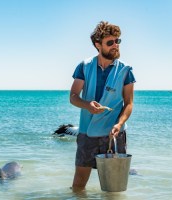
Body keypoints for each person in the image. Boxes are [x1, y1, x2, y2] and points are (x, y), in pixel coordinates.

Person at [69, 21, 136, 192]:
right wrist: (87, 105)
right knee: (78, 186)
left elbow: (128, 104)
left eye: (117, 41)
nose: (115, 45)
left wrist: (119, 124)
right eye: (110, 42)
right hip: (86, 133)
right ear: (98, 45)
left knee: (114, 189)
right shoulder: (84, 66)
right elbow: (73, 97)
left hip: (114, 134)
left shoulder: (126, 70)